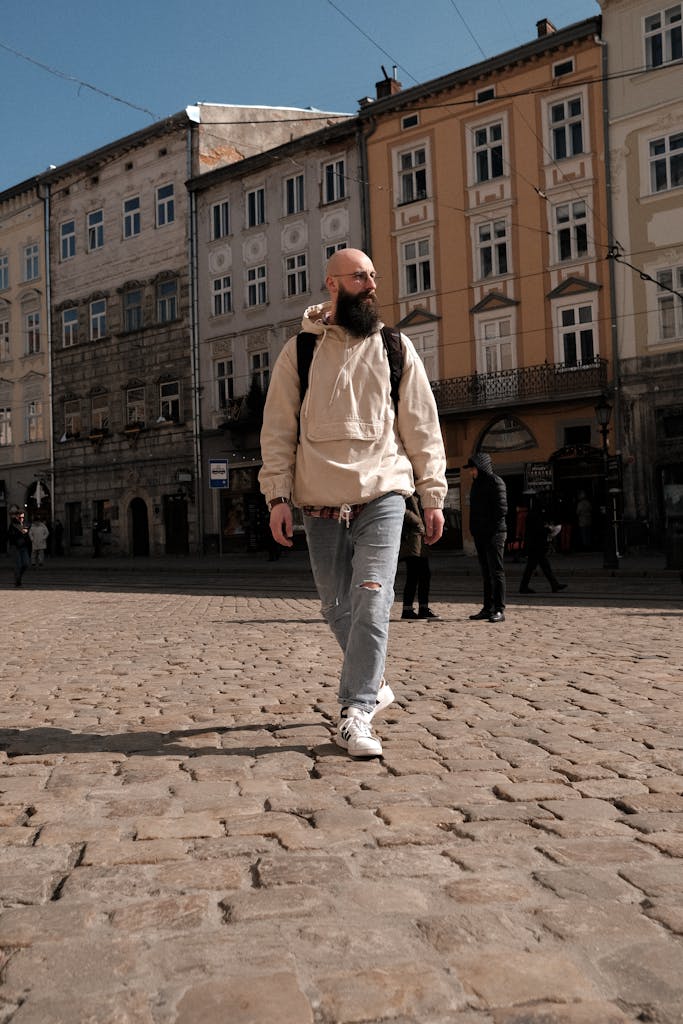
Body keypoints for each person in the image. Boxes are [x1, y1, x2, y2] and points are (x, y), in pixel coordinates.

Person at [259, 248, 446, 759]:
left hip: (383, 490)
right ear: (332, 284)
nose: (371, 284)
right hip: (318, 497)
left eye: (373, 275)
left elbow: (421, 425)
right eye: (360, 276)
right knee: (334, 604)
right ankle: (374, 679)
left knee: (372, 597)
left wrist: (432, 493)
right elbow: (277, 429)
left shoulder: (395, 347)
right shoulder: (299, 350)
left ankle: (355, 711)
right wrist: (277, 494)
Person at [463, 453, 508, 623]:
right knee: (486, 573)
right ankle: (487, 608)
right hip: (480, 534)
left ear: (481, 467)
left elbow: (501, 510)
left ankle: (499, 609)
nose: (471, 472)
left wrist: (489, 530)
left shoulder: (496, 482)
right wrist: (475, 530)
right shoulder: (476, 484)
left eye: (473, 468)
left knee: (496, 571)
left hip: (495, 533)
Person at [399, 494, 439, 620]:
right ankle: (407, 609)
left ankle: (423, 608)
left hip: (419, 537)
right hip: (412, 538)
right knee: (414, 574)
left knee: (424, 575)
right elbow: (400, 508)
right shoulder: (408, 488)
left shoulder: (420, 490)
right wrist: (418, 522)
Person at [519, 497, 568, 594]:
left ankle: (554, 585)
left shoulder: (533, 514)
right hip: (536, 546)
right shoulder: (535, 515)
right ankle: (524, 587)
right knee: (534, 567)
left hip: (535, 545)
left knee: (542, 566)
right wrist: (549, 530)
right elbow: (538, 529)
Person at [8, 506, 31, 587]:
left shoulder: (25, 524)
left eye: (23, 517)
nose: (22, 519)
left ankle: (18, 578)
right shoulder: (13, 525)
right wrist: (21, 532)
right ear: (17, 516)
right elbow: (10, 536)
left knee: (26, 564)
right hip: (15, 547)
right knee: (18, 565)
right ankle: (17, 581)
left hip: (24, 547)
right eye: (20, 517)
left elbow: (28, 535)